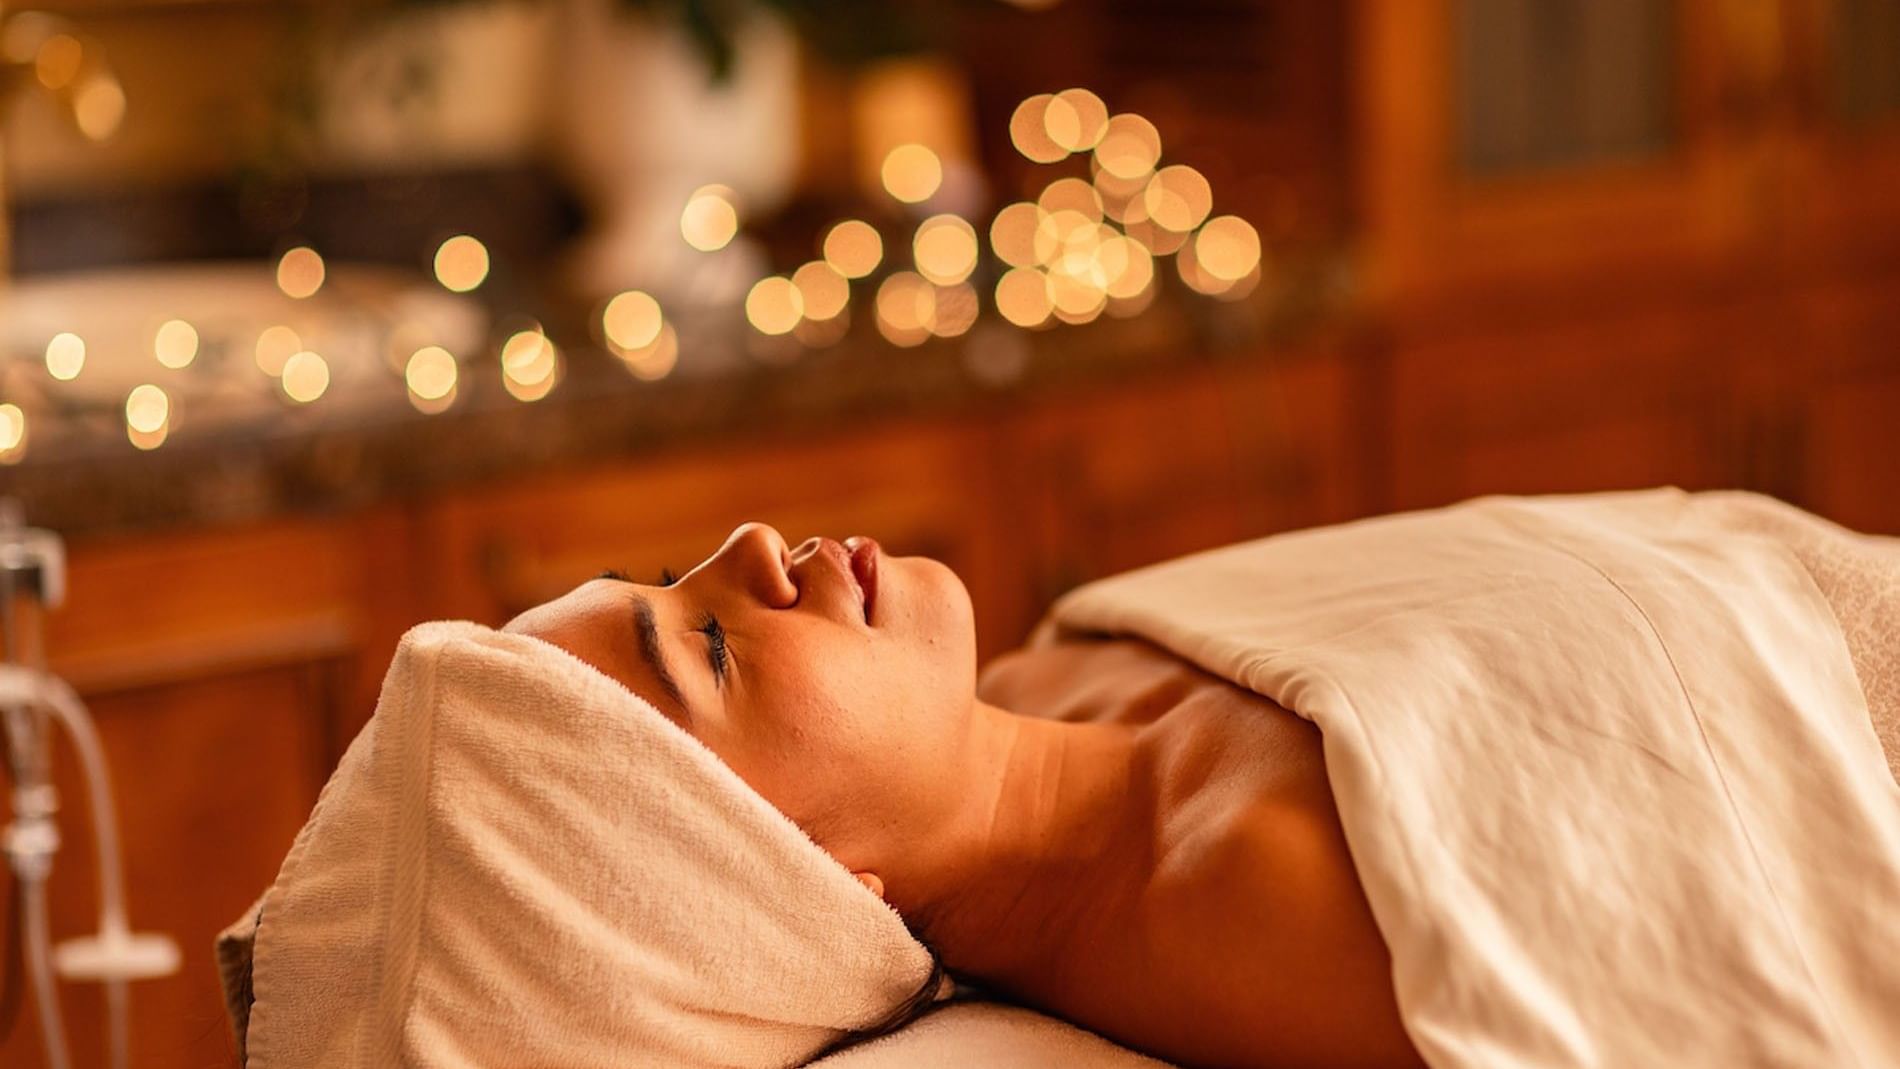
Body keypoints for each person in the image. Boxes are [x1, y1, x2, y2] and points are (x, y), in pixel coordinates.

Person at [502, 522, 1427, 1069]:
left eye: (671, 580)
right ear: (800, 884)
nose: (751, 542)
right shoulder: (1256, 896)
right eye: (711, 647)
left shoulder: (1043, 677)